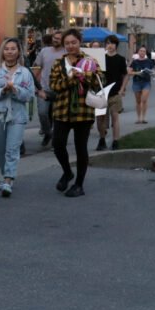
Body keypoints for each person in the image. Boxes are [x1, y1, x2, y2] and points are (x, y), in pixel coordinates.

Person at [48, 28, 104, 197]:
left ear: (80, 42)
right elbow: (54, 85)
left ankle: (79, 184)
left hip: (83, 112)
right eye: (67, 43)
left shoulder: (90, 61)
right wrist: (72, 78)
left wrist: (86, 77)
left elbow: (100, 82)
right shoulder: (59, 62)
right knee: (58, 145)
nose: (70, 46)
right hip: (62, 111)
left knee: (81, 148)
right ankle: (67, 172)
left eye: (74, 42)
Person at [0, 37, 35, 198]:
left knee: (12, 149)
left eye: (13, 48)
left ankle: (8, 179)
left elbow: (29, 95)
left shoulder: (25, 72)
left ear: (18, 51)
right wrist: (3, 90)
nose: (10, 52)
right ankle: (5, 174)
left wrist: (15, 89)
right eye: (7, 49)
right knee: (0, 150)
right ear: (2, 51)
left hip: (17, 116)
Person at [33, 31, 65, 147]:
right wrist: (33, 84)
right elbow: (37, 67)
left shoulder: (66, 53)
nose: (56, 40)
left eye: (58, 38)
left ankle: (55, 142)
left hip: (59, 90)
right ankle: (48, 133)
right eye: (54, 38)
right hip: (43, 88)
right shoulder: (44, 51)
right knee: (42, 113)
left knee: (56, 117)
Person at [96, 35, 127, 151]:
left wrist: (122, 89)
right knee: (101, 118)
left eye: (112, 43)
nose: (110, 45)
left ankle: (115, 141)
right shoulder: (101, 58)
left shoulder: (120, 59)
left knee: (115, 117)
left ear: (116, 45)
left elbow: (125, 75)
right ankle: (102, 139)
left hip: (115, 93)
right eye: (108, 43)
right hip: (101, 93)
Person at [128, 46, 155, 124]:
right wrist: (138, 73)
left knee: (144, 100)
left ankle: (144, 118)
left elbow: (153, 71)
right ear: (138, 52)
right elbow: (129, 72)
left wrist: (151, 72)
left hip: (146, 82)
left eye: (144, 51)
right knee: (138, 101)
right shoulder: (135, 62)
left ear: (145, 53)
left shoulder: (149, 61)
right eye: (141, 51)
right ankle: (138, 118)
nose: (142, 52)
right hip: (137, 82)